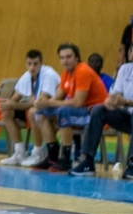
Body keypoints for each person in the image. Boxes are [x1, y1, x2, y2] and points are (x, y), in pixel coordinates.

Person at [33, 43, 109, 172]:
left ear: (77, 58)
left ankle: (66, 159)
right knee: (42, 112)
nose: (65, 60)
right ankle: (52, 156)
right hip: (80, 112)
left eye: (68, 57)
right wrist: (43, 102)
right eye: (62, 57)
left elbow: (78, 102)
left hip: (96, 114)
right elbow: (59, 96)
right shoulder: (66, 73)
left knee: (64, 111)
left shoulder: (82, 71)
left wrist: (50, 103)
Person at [69, 49, 133, 178]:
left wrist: (125, 101)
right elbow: (115, 94)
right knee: (99, 110)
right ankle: (87, 162)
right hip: (126, 117)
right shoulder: (125, 69)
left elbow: (124, 101)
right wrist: (111, 101)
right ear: (130, 53)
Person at [0, 49, 60, 167]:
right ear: (25, 64)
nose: (32, 67)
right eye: (29, 64)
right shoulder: (28, 75)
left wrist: (14, 105)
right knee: (7, 112)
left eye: (35, 64)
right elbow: (15, 98)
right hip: (42, 109)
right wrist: (7, 104)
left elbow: (40, 102)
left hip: (55, 109)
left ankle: (38, 152)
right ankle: (20, 152)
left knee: (33, 112)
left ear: (41, 64)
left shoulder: (49, 74)